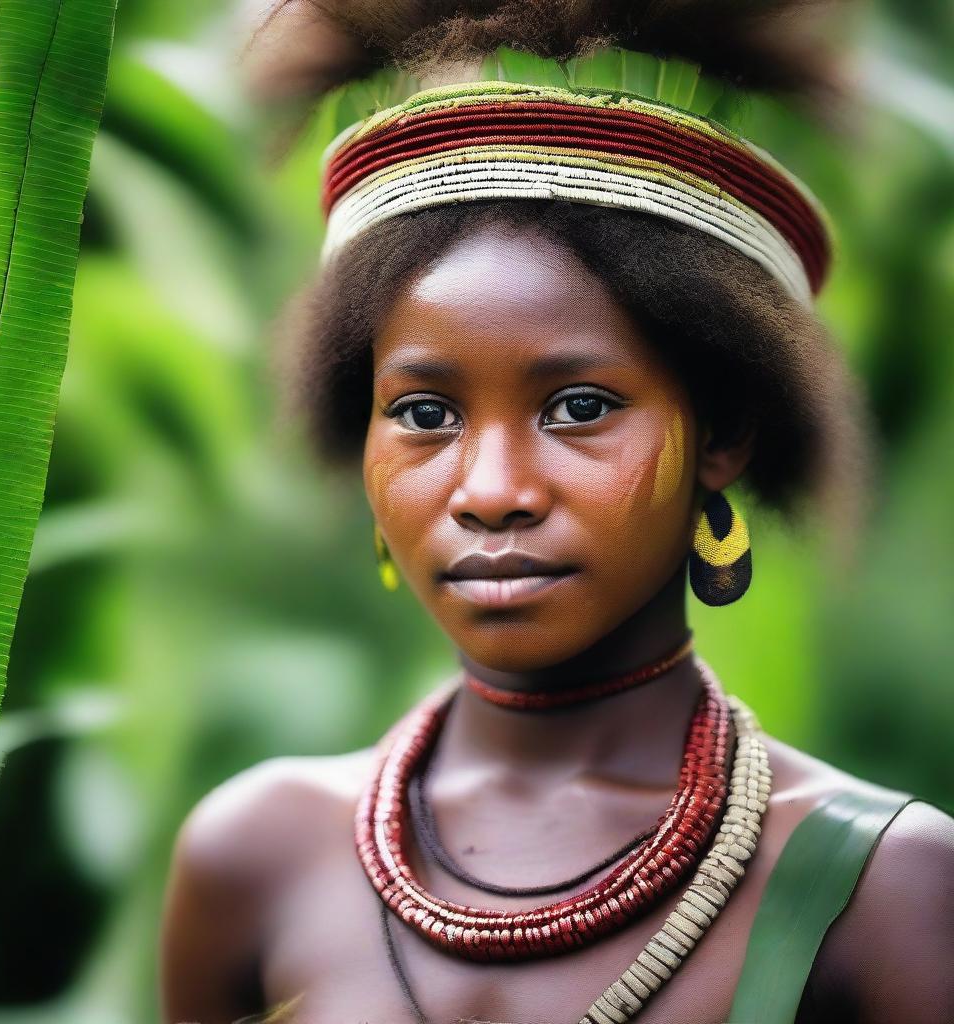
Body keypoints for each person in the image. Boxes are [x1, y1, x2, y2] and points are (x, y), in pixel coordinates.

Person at [159, 3, 954, 1022]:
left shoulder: (881, 889)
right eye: (424, 413)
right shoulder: (253, 853)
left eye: (579, 407)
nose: (489, 489)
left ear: (724, 433)